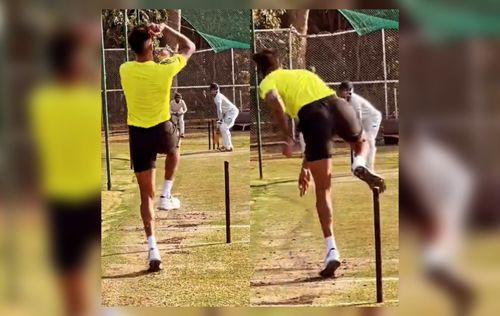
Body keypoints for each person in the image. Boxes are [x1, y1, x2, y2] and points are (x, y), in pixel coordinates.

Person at [252, 48, 385, 278]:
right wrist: (305, 165)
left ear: (261, 72)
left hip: (313, 118)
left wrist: (287, 136)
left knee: (323, 191)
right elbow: (324, 109)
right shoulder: (304, 73)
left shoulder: (267, 82)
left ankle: (332, 250)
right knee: (361, 141)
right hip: (338, 106)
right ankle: (358, 164)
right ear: (281, 63)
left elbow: (277, 102)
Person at [29, 25, 100, 316]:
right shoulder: (88, 102)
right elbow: (90, 76)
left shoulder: (41, 102)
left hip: (58, 199)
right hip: (85, 196)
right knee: (79, 269)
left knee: (70, 273)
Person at [119, 23, 195, 272]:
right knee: (175, 149)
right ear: (151, 45)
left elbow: (142, 58)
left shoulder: (125, 69)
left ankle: (153, 249)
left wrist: (151, 43)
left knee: (144, 197)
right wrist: (165, 28)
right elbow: (189, 46)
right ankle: (167, 194)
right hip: (161, 129)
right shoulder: (165, 69)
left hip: (138, 134)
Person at [337, 81, 382, 171]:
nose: (342, 93)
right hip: (364, 120)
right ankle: (358, 166)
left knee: (369, 141)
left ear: (349, 91)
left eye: (344, 91)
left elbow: (358, 117)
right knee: (358, 141)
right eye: (341, 91)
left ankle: (369, 168)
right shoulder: (344, 100)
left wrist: (356, 131)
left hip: (373, 118)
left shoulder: (354, 100)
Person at [209, 83, 239, 152]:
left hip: (232, 112)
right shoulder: (216, 97)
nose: (211, 91)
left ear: (216, 90)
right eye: (211, 90)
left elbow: (219, 109)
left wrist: (220, 119)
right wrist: (220, 119)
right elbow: (221, 110)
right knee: (224, 128)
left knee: (224, 127)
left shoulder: (218, 97)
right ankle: (228, 146)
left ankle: (227, 147)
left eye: (212, 90)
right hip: (229, 113)